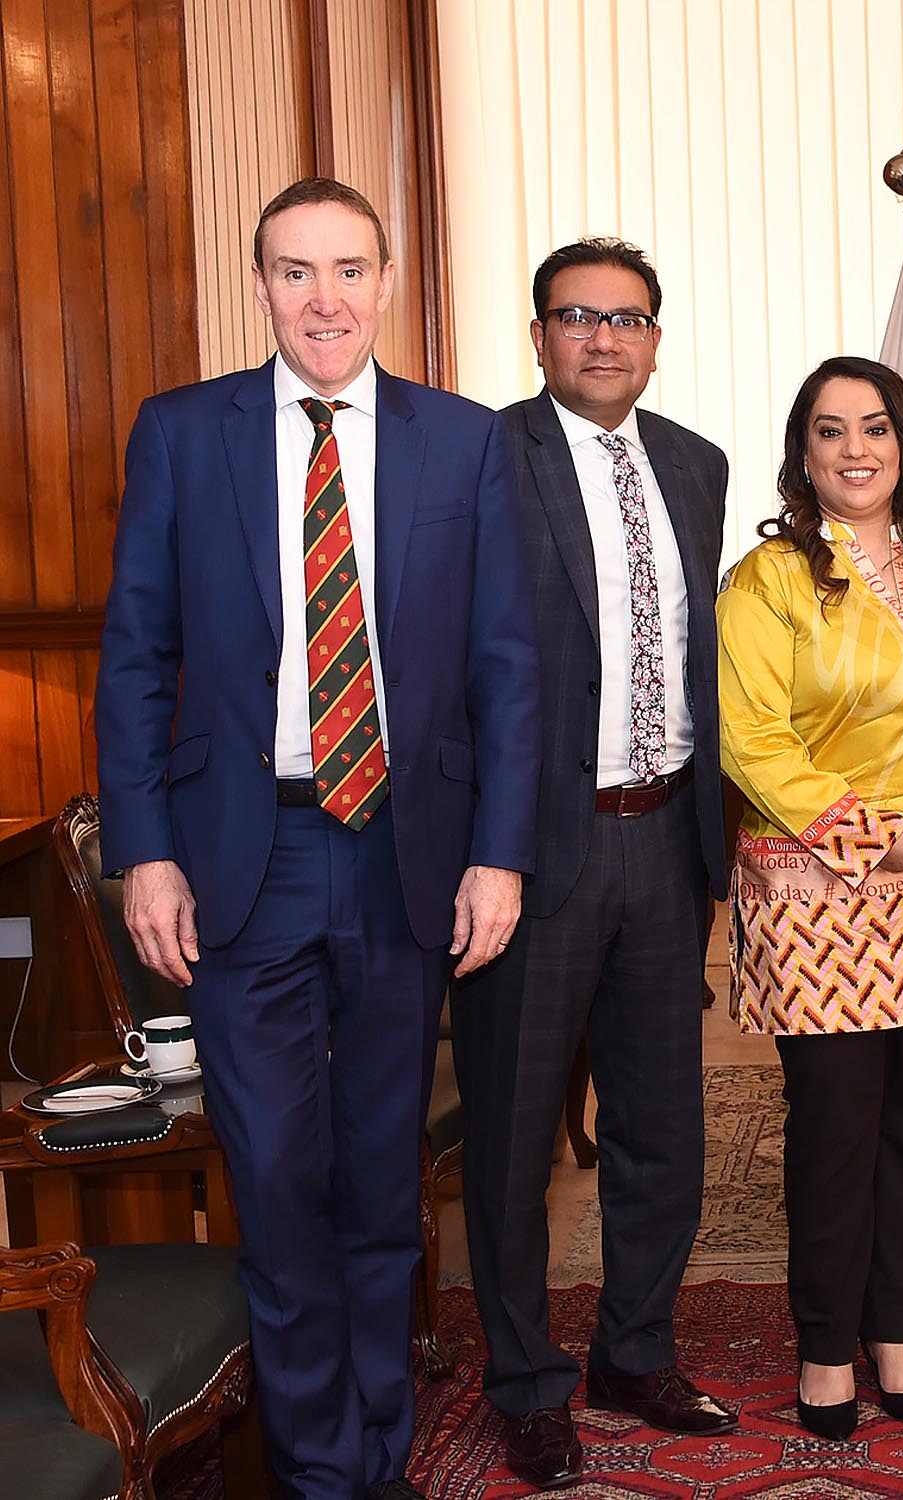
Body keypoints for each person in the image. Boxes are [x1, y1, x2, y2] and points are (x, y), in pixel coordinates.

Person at [93, 177, 537, 1500]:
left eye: (349, 269)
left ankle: (380, 1455)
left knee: (380, 1179)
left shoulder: (462, 443)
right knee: (279, 1183)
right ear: (260, 284)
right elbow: (135, 660)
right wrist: (147, 853)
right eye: (296, 272)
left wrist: (499, 853)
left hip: (408, 850)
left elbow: (509, 669)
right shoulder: (184, 434)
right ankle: (317, 1471)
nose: (325, 299)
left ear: (388, 281)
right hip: (247, 856)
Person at [454, 237, 736, 1488]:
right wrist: (484, 850)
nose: (604, 337)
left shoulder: (694, 464)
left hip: (665, 838)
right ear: (538, 335)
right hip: (532, 854)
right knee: (512, 1134)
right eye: (577, 316)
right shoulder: (477, 460)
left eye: (627, 319)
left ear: (656, 339)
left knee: (662, 1126)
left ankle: (635, 1348)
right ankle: (525, 1381)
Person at [718, 355, 903, 1441]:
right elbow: (752, 738)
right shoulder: (768, 581)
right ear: (804, 454)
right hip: (818, 890)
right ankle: (821, 1345)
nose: (856, 450)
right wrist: (865, 834)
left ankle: (894, 1328)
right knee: (836, 1126)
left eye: (876, 429)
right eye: (831, 431)